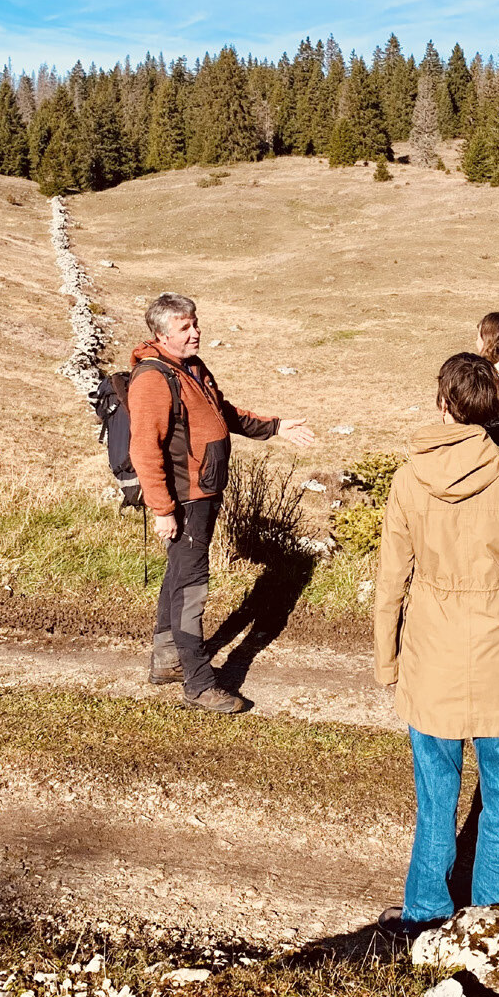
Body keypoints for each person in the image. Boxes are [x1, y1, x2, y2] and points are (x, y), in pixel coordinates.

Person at [373, 352, 499, 933]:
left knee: (435, 798)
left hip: (432, 657)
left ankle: (425, 914)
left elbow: (391, 581)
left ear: (442, 403)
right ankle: (496, 923)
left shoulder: (408, 480)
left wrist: (387, 661)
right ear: (494, 408)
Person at [127, 292, 315, 712]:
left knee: (179, 576)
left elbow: (222, 413)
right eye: (185, 327)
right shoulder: (153, 380)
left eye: (195, 323)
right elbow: (144, 449)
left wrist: (276, 427)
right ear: (161, 334)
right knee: (191, 587)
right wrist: (162, 509)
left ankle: (167, 661)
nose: (195, 332)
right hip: (184, 499)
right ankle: (198, 684)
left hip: (204, 492)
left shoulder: (191, 367)